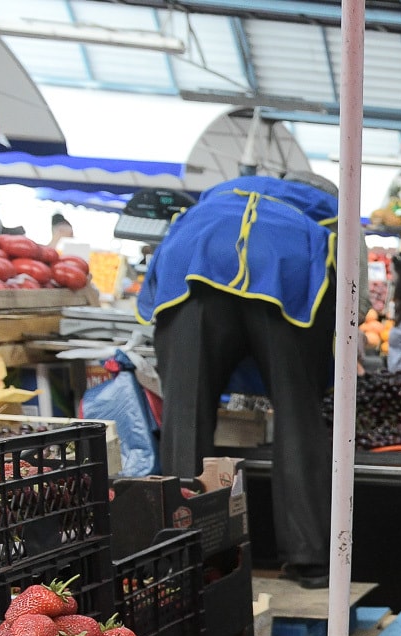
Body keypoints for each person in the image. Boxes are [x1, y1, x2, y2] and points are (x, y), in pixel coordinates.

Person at [138, 175, 337, 588]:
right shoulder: (326, 214)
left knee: (186, 414)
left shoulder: (211, 203)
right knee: (298, 413)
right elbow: (352, 304)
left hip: (194, 262)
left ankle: (184, 552)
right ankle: (310, 560)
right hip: (284, 266)